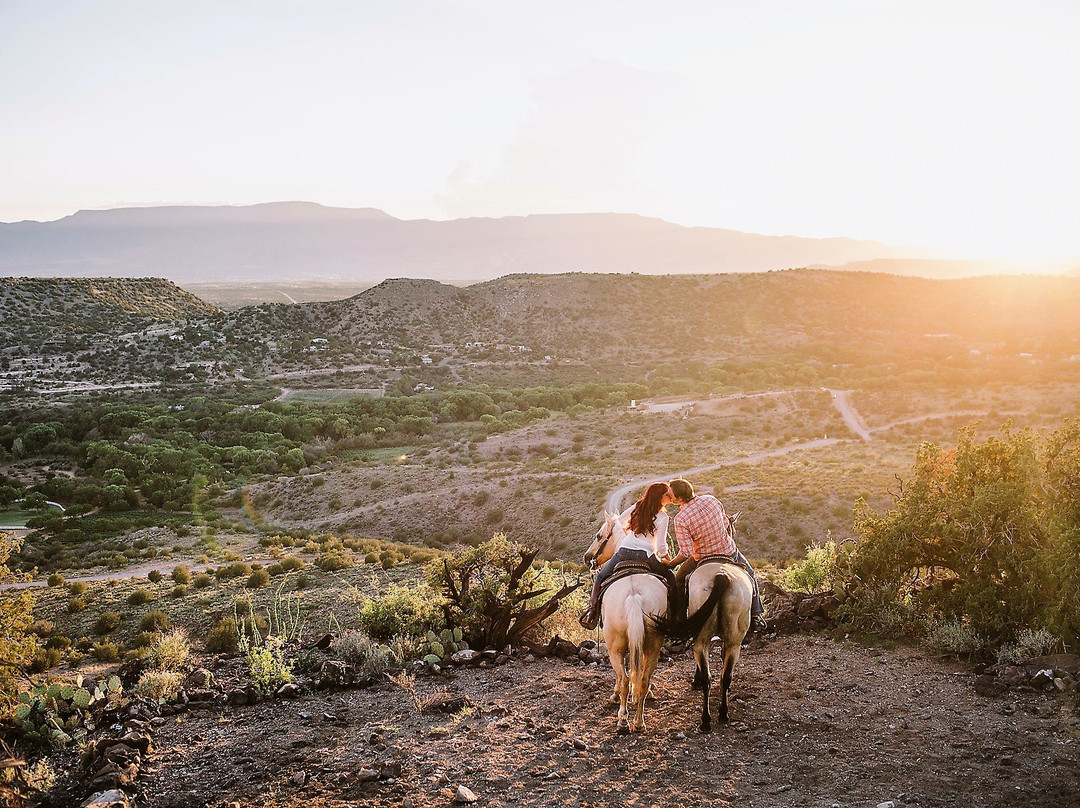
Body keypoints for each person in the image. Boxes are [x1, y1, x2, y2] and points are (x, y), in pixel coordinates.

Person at [664, 478, 768, 638]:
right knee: (751, 574)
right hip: (728, 552)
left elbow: (686, 553)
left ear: (678, 499)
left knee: (679, 580)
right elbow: (726, 523)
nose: (669, 497)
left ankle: (680, 621)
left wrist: (670, 564)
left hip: (702, 557)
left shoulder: (681, 519)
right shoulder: (712, 500)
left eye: (671, 495)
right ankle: (755, 615)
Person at [579, 482, 676, 630]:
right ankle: (675, 617)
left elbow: (619, 521)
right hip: (646, 555)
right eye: (667, 495)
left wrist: (629, 530)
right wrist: (666, 557)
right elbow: (662, 545)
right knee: (670, 577)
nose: (670, 497)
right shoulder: (662, 517)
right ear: (660, 496)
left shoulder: (638, 506)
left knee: (600, 577)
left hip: (624, 551)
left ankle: (592, 613)